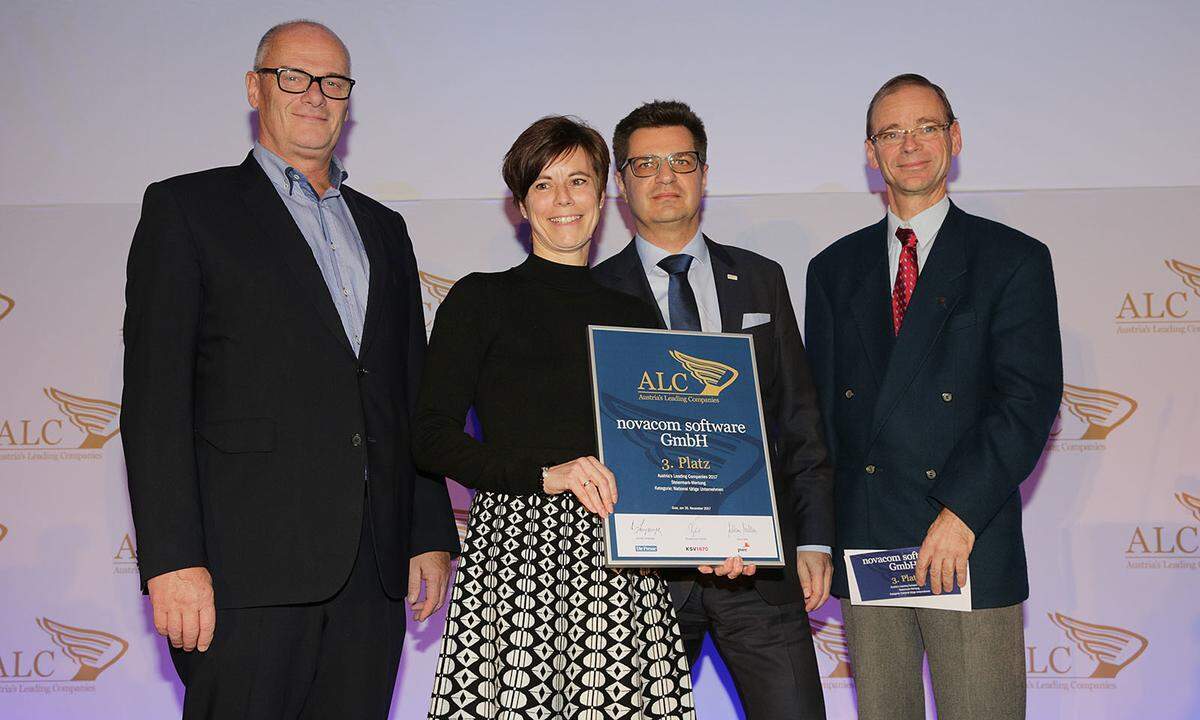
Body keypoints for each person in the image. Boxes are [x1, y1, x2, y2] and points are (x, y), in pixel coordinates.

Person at [121, 20, 458, 718]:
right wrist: (173, 561)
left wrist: (426, 533)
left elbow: (404, 390)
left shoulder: (385, 228)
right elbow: (156, 402)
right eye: (294, 77)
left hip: (372, 570)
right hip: (246, 573)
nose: (315, 95)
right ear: (256, 87)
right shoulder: (188, 209)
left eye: (334, 82)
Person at [416, 115, 696, 719]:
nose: (563, 199)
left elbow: (668, 453)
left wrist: (706, 536)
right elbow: (430, 437)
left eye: (578, 180)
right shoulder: (479, 300)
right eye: (543, 185)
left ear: (604, 195)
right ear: (521, 204)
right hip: (516, 561)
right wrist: (547, 475)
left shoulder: (636, 315)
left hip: (622, 565)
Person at [804, 74, 1062, 720]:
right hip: (870, 544)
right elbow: (823, 422)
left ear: (955, 138)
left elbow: (1027, 401)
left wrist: (961, 512)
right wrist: (815, 538)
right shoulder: (832, 270)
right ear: (871, 152)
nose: (909, 145)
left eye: (925, 128)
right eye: (892, 133)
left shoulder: (1013, 259)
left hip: (966, 541)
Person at [592, 100, 833, 720]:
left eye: (681, 161)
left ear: (704, 172)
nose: (665, 178)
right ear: (621, 183)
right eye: (645, 165)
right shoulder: (591, 296)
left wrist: (814, 542)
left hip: (759, 572)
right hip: (638, 584)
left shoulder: (760, 280)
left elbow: (798, 420)